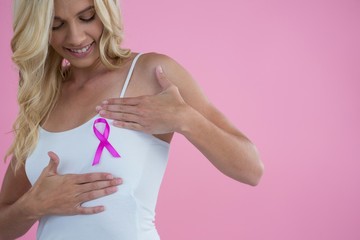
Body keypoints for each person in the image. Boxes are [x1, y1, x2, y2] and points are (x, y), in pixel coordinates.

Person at [0, 0, 264, 239]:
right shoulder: (42, 97)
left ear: (105, 11)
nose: (76, 36)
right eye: (56, 25)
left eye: (87, 17)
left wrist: (185, 118)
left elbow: (251, 169)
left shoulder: (150, 73)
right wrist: (32, 206)